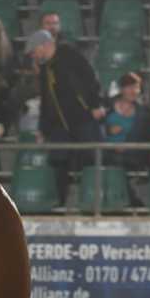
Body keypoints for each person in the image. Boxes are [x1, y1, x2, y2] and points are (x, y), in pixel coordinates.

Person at [28, 28, 104, 201]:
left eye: (34, 51)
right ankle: (59, 203)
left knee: (90, 159)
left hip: (82, 118)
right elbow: (46, 101)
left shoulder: (70, 56)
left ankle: (92, 201)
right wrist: (43, 128)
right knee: (58, 162)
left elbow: (90, 79)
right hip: (59, 124)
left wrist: (95, 104)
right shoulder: (45, 68)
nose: (33, 55)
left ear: (43, 45)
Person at [103, 72, 148, 169]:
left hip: (131, 158)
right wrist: (108, 130)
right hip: (105, 153)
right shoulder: (107, 105)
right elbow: (97, 127)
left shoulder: (143, 112)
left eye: (137, 87)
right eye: (130, 87)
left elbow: (143, 139)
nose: (134, 91)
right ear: (121, 89)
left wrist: (127, 147)